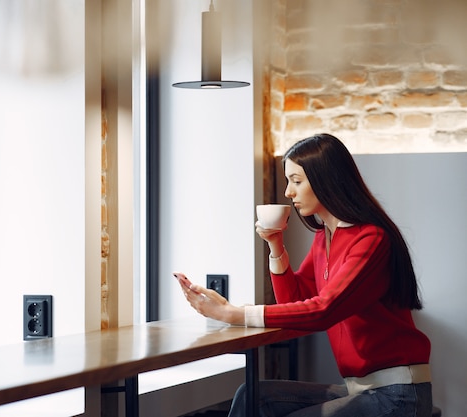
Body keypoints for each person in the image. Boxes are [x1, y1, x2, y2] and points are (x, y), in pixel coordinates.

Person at [174, 133, 432, 416]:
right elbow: (295, 300)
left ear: (326, 179)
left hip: (398, 395)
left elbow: (323, 310)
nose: (288, 192)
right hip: (360, 389)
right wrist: (275, 247)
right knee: (253, 397)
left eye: (296, 181)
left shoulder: (371, 239)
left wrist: (231, 313)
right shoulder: (326, 238)